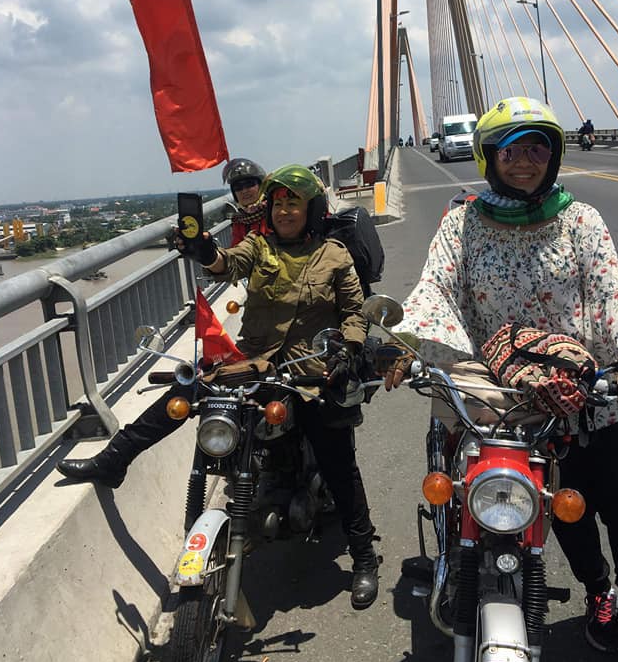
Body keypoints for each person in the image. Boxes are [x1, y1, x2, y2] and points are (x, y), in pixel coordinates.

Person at [382, 96, 618, 662]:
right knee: (561, 511)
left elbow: (611, 294)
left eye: (537, 147)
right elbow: (435, 289)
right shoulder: (462, 220)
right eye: (510, 150)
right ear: (488, 156)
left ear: (555, 153)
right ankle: (598, 593)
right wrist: (404, 341)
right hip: (518, 406)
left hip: (596, 394)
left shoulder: (581, 220)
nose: (525, 161)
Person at [58, 164, 380, 610]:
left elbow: (354, 312)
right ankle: (115, 459)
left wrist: (347, 349)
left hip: (310, 365)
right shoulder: (259, 245)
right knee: (186, 395)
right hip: (253, 360)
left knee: (336, 456)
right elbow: (227, 264)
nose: (286, 211)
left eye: (295, 203)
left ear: (313, 209)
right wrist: (203, 248)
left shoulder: (334, 255)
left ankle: (364, 558)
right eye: (279, 203)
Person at [222, 157, 270, 246]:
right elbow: (236, 252)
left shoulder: (273, 211)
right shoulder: (239, 221)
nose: (244, 191)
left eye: (249, 184)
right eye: (238, 187)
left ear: (261, 186)